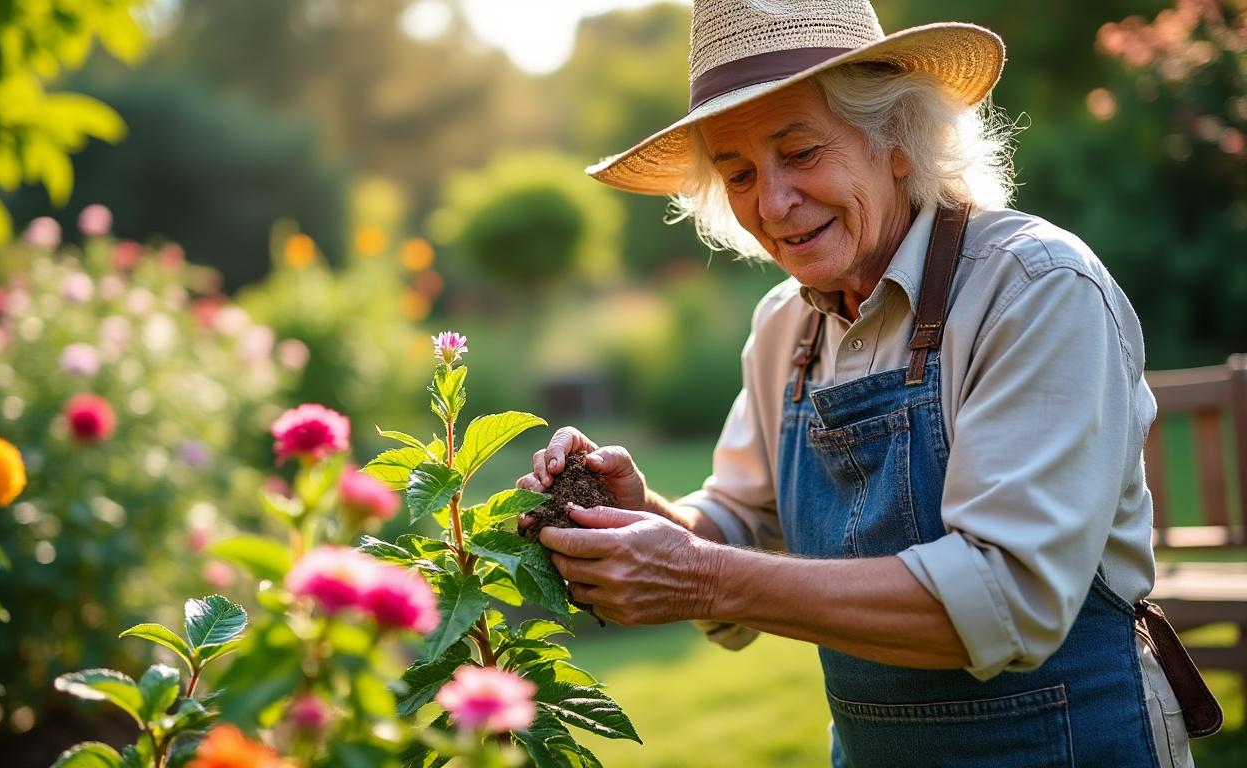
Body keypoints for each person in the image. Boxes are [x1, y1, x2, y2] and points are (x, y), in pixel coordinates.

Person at [516, 1, 1216, 766]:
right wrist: (641, 514)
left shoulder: (1036, 289)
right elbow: (736, 522)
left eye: (803, 152)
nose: (772, 203)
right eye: (740, 172)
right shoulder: (788, 325)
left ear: (896, 141)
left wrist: (700, 577)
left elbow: (1010, 600)